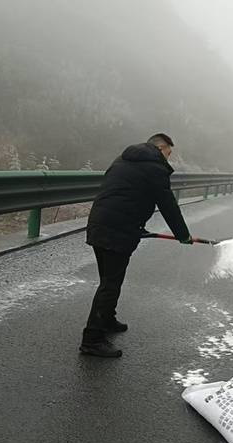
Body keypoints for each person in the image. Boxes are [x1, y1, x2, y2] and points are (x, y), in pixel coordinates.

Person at [80, 133, 193, 357]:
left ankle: (108, 320)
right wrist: (183, 235)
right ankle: (92, 340)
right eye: (168, 154)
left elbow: (126, 194)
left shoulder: (123, 159)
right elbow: (167, 204)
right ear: (161, 149)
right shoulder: (155, 167)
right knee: (110, 284)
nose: (168, 160)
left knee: (109, 279)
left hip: (99, 223)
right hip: (117, 230)